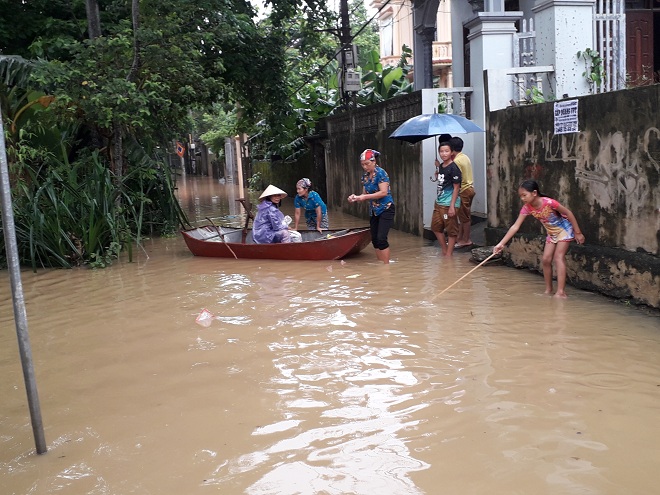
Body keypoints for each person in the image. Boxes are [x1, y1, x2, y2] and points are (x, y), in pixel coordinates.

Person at [493, 180, 585, 298]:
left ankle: (561, 292)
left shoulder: (550, 203)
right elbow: (515, 226)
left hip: (564, 230)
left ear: (534, 193)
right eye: (521, 196)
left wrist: (578, 232)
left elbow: (569, 213)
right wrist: (501, 244)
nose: (522, 199)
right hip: (551, 233)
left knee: (558, 257)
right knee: (546, 259)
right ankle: (548, 290)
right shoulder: (527, 208)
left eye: (524, 195)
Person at [347, 149, 395, 264]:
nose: (365, 167)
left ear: (374, 161)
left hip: (386, 209)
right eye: (362, 164)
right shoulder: (365, 177)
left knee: (381, 238)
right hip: (374, 211)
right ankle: (380, 264)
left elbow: (383, 192)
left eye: (367, 164)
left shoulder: (381, 173)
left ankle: (386, 267)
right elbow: (365, 194)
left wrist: (364, 197)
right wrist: (356, 197)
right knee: (374, 240)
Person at [431, 141, 462, 256]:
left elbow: (456, 188)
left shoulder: (454, 168)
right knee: (435, 227)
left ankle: (449, 255)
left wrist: (452, 206)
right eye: (441, 151)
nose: (444, 154)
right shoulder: (441, 166)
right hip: (439, 203)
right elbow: (442, 181)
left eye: (446, 151)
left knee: (451, 230)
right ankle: (445, 250)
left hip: (448, 204)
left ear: (451, 152)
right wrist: (437, 173)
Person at [449, 136, 476, 248]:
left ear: (451, 148)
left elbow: (455, 179)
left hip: (464, 190)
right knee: (462, 216)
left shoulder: (456, 161)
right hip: (469, 188)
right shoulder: (465, 157)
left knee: (464, 218)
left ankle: (466, 240)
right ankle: (459, 238)